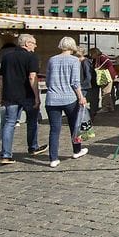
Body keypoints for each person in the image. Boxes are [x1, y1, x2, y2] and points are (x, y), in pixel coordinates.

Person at [0, 33, 47, 164]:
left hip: (10, 95)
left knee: (9, 123)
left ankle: (6, 155)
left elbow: (1, 79)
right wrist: (37, 96)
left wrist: (0, 96)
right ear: (27, 43)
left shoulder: (6, 57)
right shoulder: (31, 57)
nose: (35, 46)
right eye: (34, 43)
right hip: (27, 95)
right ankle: (33, 147)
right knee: (32, 121)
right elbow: (32, 77)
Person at [45, 37, 88, 168]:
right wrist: (81, 97)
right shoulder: (74, 60)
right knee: (74, 126)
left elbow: (48, 80)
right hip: (69, 98)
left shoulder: (52, 60)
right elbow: (75, 82)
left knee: (54, 129)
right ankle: (77, 150)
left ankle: (53, 158)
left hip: (52, 98)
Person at [90, 48, 117, 114]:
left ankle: (105, 108)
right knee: (107, 92)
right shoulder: (98, 58)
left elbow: (108, 63)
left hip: (106, 77)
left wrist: (99, 68)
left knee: (105, 93)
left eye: (91, 54)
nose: (91, 55)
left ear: (95, 53)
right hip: (106, 77)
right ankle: (110, 107)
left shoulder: (102, 58)